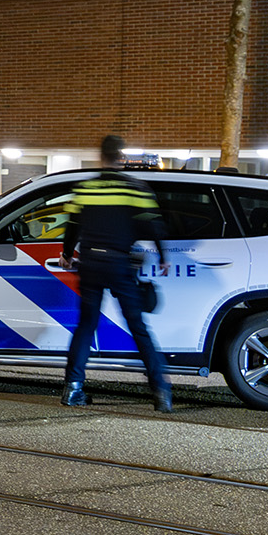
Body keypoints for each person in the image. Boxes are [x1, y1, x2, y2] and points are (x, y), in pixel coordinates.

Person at [62, 135, 171, 412]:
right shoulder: (135, 188)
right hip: (120, 264)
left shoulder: (85, 188)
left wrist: (66, 254)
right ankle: (161, 392)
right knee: (138, 327)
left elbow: (72, 224)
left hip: (91, 264)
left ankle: (73, 389)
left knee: (86, 325)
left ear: (100, 156)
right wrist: (163, 255)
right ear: (120, 157)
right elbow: (154, 224)